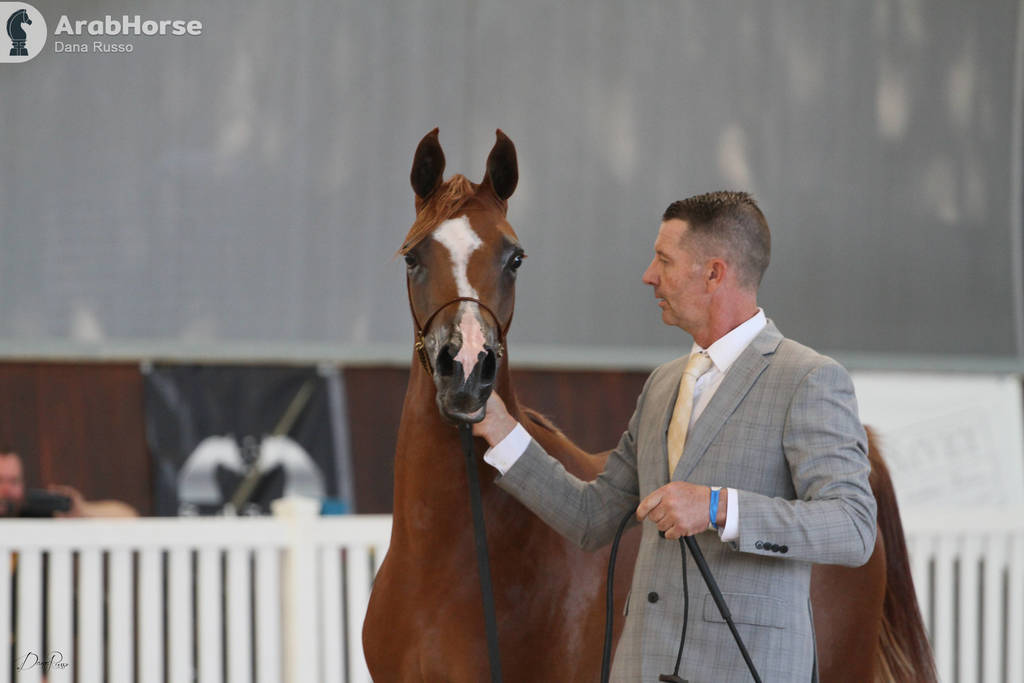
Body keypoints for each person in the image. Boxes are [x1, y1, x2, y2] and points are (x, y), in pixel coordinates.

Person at [473, 191, 877, 682]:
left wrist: (717, 506)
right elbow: (590, 517)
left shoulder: (808, 378)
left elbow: (853, 527)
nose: (649, 275)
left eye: (664, 260)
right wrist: (500, 428)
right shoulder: (663, 385)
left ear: (714, 272)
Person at [0, 450, 138, 518]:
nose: (6, 490)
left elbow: (128, 516)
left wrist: (81, 510)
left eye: (14, 481)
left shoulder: (35, 514)